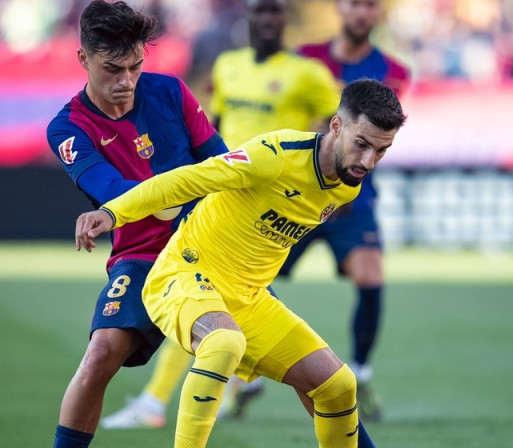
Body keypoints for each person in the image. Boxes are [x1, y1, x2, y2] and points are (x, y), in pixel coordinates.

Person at [75, 78, 406, 448]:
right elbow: (186, 180)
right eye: (362, 144)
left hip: (249, 298)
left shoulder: (348, 182)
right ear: (336, 125)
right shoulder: (276, 155)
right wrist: (114, 212)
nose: (368, 161)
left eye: (381, 151)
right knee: (223, 343)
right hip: (185, 274)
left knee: (338, 386)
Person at [99, 0, 342, 429]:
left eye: (274, 12)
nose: (267, 19)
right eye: (259, 12)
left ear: (284, 20)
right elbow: (216, 125)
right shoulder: (228, 66)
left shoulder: (308, 74)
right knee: (208, 300)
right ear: (248, 18)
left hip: (276, 200)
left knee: (219, 305)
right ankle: (174, 397)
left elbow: (334, 129)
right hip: (228, 190)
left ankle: (189, 393)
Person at [45, 1, 229, 447]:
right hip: (143, 258)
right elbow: (108, 187)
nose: (126, 81)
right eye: (113, 69)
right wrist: (169, 198)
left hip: (211, 250)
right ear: (83, 58)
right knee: (99, 357)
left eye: (135, 66)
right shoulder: (68, 128)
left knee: (312, 371)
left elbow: (222, 165)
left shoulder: (171, 93)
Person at [283, 0, 412, 422]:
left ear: (378, 15)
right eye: (356, 4)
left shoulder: (393, 71)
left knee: (371, 276)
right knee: (253, 275)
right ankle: (248, 371)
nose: (362, 14)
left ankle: (359, 369)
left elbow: (375, 130)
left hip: (353, 196)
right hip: (299, 190)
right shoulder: (305, 59)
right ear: (341, 8)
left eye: (371, 6)